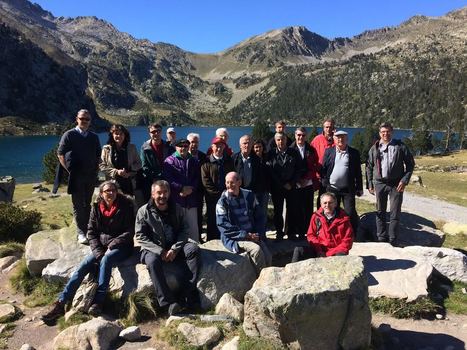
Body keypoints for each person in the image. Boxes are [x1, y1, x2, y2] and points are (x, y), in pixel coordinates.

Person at [41, 181, 135, 321]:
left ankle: (99, 301)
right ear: (101, 194)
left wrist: (112, 244)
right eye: (107, 191)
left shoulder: (125, 206)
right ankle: (61, 303)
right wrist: (97, 251)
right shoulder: (96, 207)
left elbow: (130, 231)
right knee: (83, 266)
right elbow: (91, 232)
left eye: (113, 190)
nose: (110, 193)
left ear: (117, 192)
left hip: (122, 246)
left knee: (106, 260)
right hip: (101, 247)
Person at [135, 180, 200, 315]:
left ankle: (186, 295)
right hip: (152, 249)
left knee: (193, 249)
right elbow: (140, 236)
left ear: (169, 193)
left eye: (165, 192)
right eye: (159, 193)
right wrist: (161, 251)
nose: (162, 196)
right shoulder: (143, 211)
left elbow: (184, 230)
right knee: (152, 262)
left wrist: (175, 249)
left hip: (174, 247)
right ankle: (168, 303)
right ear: (153, 194)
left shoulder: (176, 208)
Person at [57, 109, 101, 244]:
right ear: (77, 119)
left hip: (90, 176)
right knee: (77, 204)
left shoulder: (93, 137)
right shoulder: (69, 135)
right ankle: (80, 232)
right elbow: (60, 154)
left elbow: (98, 155)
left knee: (87, 203)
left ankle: (88, 229)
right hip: (76, 176)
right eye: (82, 118)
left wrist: (96, 169)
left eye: (87, 119)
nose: (84, 121)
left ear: (90, 121)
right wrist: (69, 170)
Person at [366, 122, 415, 244]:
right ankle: (381, 238)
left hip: (396, 184)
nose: (385, 134)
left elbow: (410, 164)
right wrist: (370, 184)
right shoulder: (375, 148)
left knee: (395, 212)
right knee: (380, 212)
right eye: (383, 132)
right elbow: (369, 166)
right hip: (380, 183)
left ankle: (393, 239)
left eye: (387, 131)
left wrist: (404, 180)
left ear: (392, 132)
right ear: (379, 133)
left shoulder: (400, 146)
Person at [216, 172, 272, 275]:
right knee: (256, 250)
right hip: (235, 237)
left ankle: (268, 277)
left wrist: (257, 234)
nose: (229, 185)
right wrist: (245, 235)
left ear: (239, 182)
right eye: (227, 182)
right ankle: (261, 279)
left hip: (252, 234)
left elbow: (260, 217)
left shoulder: (249, 195)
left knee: (268, 255)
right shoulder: (222, 202)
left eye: (232, 182)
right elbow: (223, 225)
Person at [291, 192, 353, 262]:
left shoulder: (344, 219)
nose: (327, 205)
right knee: (298, 250)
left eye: (330, 203)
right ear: (321, 204)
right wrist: (319, 251)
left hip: (336, 252)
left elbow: (347, 241)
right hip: (319, 250)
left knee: (341, 256)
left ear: (335, 204)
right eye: (325, 203)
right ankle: (292, 272)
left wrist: (327, 254)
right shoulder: (316, 216)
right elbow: (311, 235)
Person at [321, 130, 363, 233]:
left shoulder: (354, 153)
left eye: (343, 137)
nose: (340, 139)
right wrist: (324, 182)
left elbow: (358, 171)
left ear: (347, 139)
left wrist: (359, 187)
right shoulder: (329, 152)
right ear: (334, 139)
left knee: (350, 212)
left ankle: (352, 233)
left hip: (347, 189)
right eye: (338, 137)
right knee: (331, 211)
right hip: (332, 188)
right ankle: (331, 233)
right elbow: (323, 169)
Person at [163, 138, 201, 242]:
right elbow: (168, 179)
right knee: (177, 227)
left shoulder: (194, 160)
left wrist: (191, 189)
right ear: (176, 147)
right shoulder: (169, 161)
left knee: (193, 228)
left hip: (191, 200)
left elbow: (197, 178)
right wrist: (181, 188)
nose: (183, 148)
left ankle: (195, 250)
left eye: (185, 146)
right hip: (176, 200)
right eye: (180, 146)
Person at [267, 132, 301, 241]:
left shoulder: (294, 152)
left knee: (292, 210)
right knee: (278, 211)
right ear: (275, 141)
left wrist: (291, 183)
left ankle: (291, 232)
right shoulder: (271, 153)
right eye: (278, 140)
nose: (280, 142)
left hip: (291, 187)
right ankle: (279, 233)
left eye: (282, 139)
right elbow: (271, 171)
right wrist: (282, 184)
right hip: (277, 188)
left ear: (286, 140)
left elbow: (298, 169)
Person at [289, 127, 320, 240]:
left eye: (303, 135)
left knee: (307, 209)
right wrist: (297, 180)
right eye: (298, 135)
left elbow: (315, 165)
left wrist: (307, 178)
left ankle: (306, 232)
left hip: (308, 183)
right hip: (295, 184)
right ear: (295, 135)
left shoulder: (311, 150)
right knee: (294, 208)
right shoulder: (290, 149)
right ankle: (293, 232)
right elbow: (289, 168)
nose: (300, 137)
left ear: (306, 136)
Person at [201, 136, 235, 241]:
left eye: (221, 146)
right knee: (212, 218)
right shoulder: (206, 161)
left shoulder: (229, 160)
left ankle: (225, 237)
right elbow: (205, 181)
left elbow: (232, 176)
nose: (219, 149)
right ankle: (211, 239)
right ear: (212, 147)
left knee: (226, 217)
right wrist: (217, 193)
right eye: (216, 146)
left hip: (226, 195)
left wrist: (227, 192)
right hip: (212, 197)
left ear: (224, 147)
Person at [100, 124, 143, 202]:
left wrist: (129, 171)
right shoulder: (106, 149)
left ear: (125, 135)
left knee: (128, 205)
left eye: (121, 134)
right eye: (116, 134)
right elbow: (102, 166)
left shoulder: (131, 147)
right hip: (112, 183)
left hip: (128, 182)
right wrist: (117, 172)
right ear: (112, 135)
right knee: (114, 205)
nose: (119, 136)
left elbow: (139, 163)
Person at [140, 123, 175, 202]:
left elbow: (174, 163)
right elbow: (144, 166)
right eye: (153, 132)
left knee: (168, 203)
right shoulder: (145, 148)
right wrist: (156, 177)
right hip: (152, 182)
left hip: (168, 180)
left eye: (158, 131)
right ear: (149, 133)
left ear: (161, 132)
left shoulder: (168, 147)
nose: (156, 133)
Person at [311, 118, 336, 209]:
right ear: (323, 127)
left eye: (330, 127)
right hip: (320, 176)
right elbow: (310, 156)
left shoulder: (337, 139)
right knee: (322, 200)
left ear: (334, 127)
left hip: (334, 176)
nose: (328, 129)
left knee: (333, 200)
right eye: (326, 127)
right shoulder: (317, 140)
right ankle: (320, 219)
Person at [187, 133, 207, 238]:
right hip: (188, 190)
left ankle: (198, 236)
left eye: (196, 142)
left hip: (199, 190)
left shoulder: (203, 156)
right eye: (191, 142)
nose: (194, 144)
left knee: (199, 213)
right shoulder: (184, 156)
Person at [251, 139, 271, 234]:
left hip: (264, 190)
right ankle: (255, 234)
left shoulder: (267, 158)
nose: (258, 149)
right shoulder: (251, 159)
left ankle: (262, 235)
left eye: (260, 147)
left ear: (263, 148)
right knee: (254, 213)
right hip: (253, 191)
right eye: (256, 147)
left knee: (263, 213)